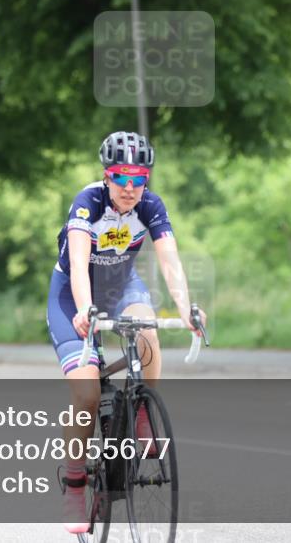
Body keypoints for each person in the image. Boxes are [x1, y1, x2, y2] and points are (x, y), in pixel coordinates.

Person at [46, 131, 207, 533]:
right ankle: (75, 483)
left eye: (140, 178)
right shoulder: (88, 203)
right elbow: (80, 264)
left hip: (121, 286)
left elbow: (169, 260)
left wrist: (186, 306)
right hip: (72, 296)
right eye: (122, 177)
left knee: (147, 330)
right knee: (86, 395)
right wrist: (85, 309)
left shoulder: (150, 205)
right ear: (107, 175)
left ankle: (140, 412)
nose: (131, 188)